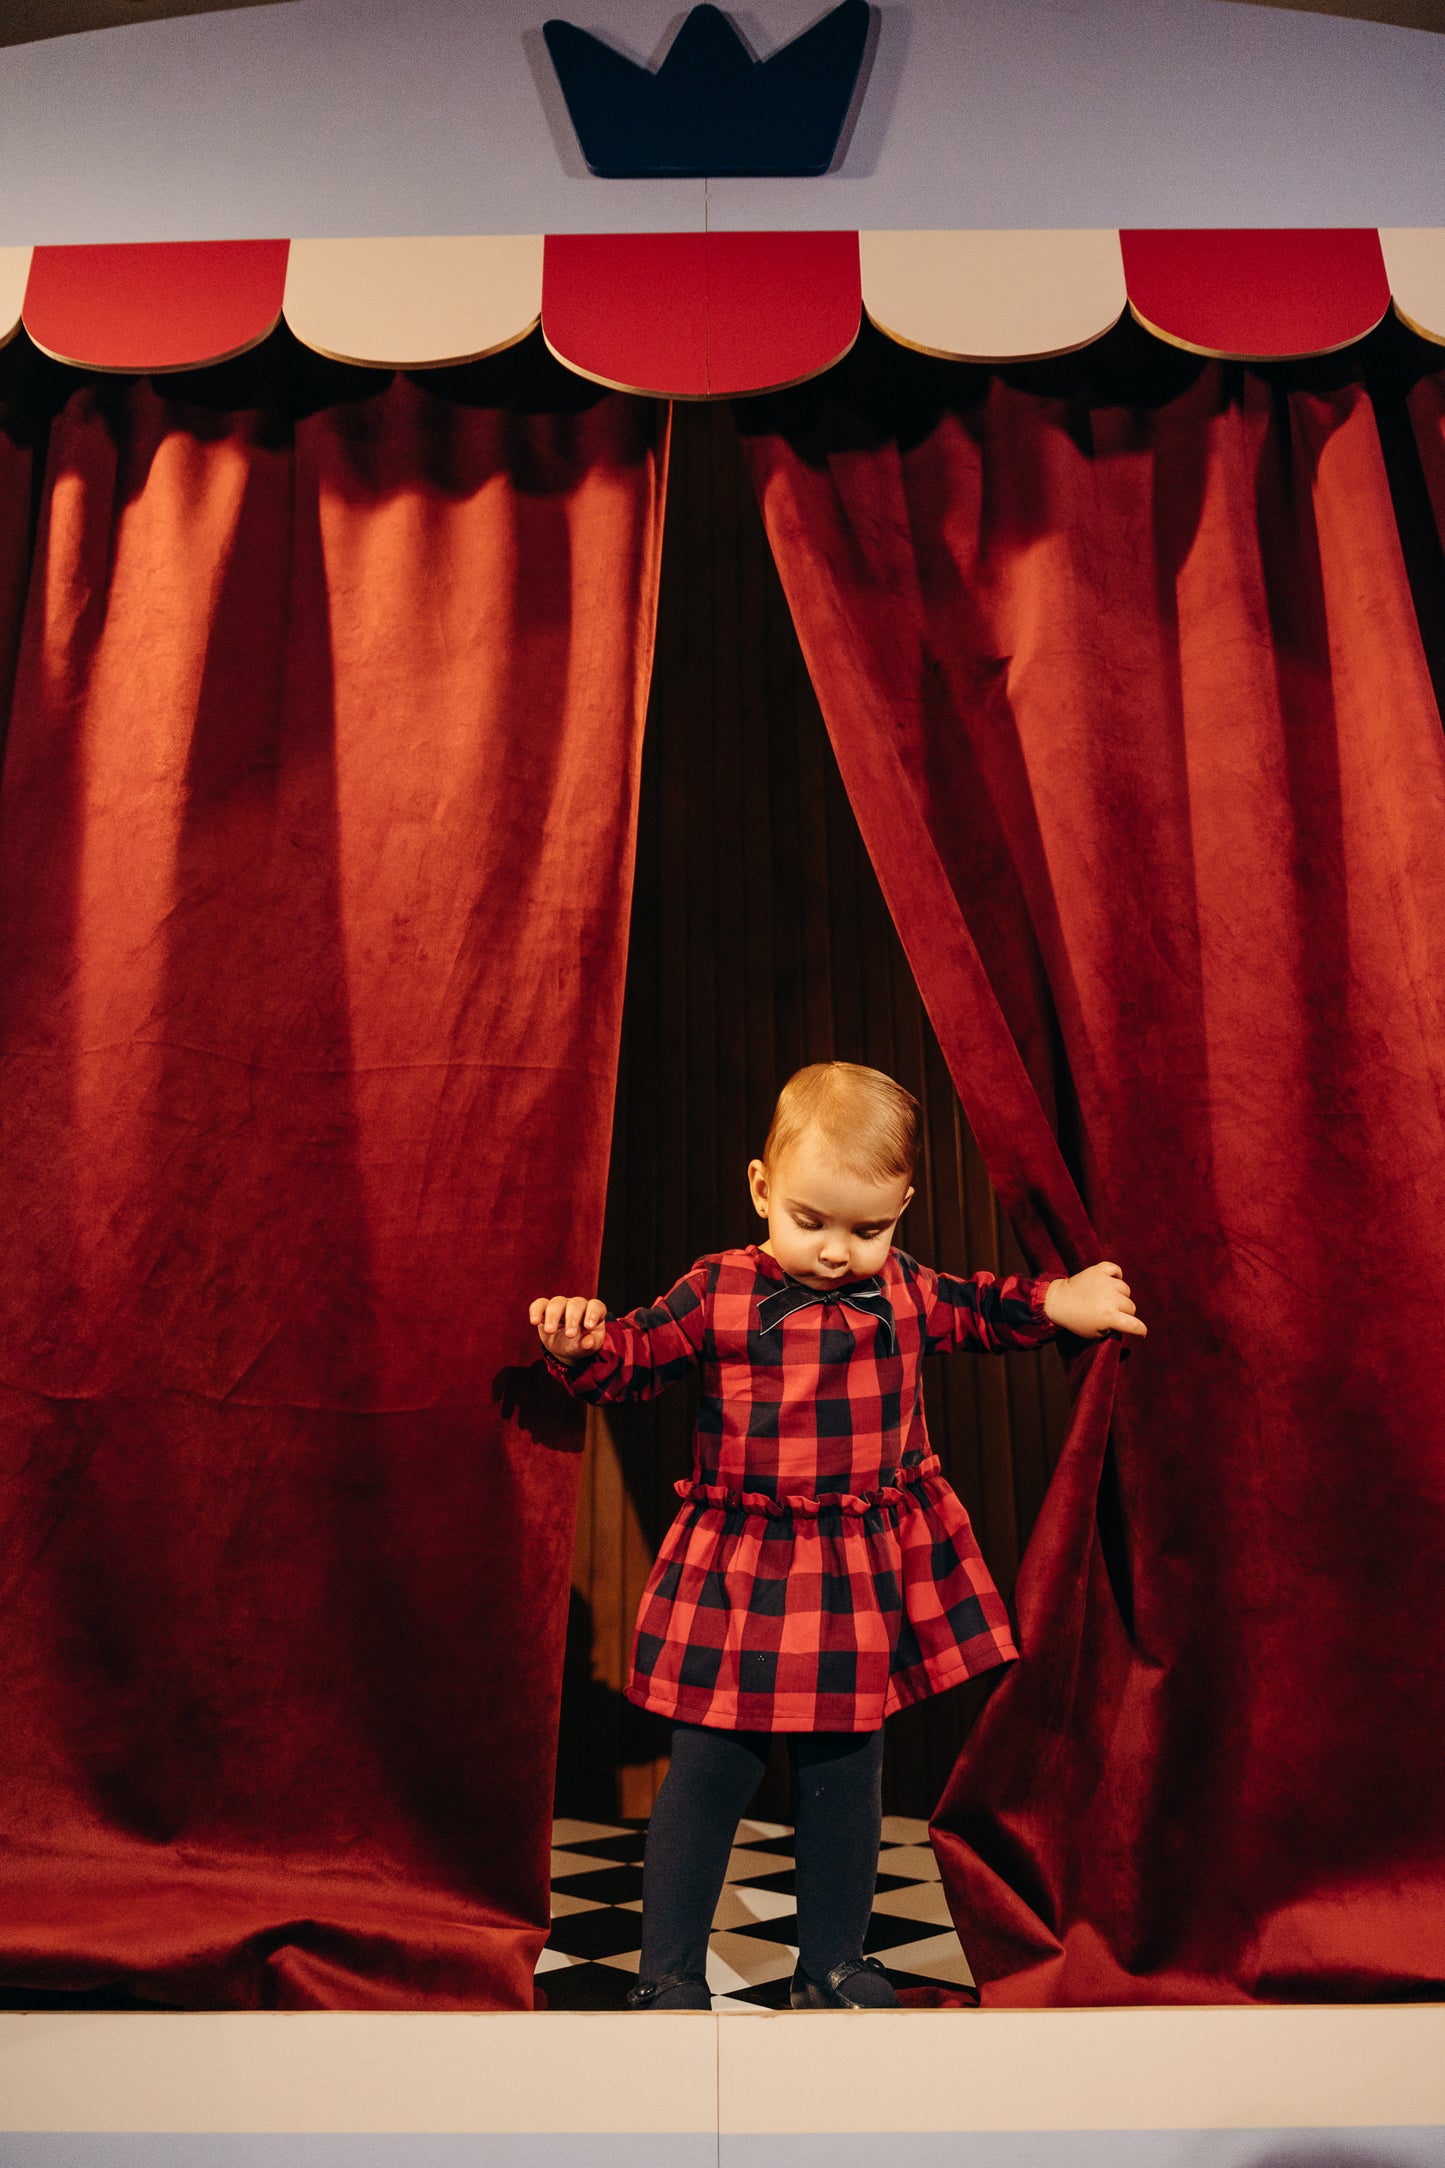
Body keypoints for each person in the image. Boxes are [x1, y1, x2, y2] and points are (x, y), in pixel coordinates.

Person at [531, 1061, 1145, 2011]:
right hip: (742, 1572)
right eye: (809, 1221)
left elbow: (980, 1309)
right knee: (706, 1775)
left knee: (845, 1777)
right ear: (760, 1189)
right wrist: (581, 1346)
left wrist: (1055, 1302)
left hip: (856, 1577)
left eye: (867, 1228)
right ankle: (667, 1976)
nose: (832, 1253)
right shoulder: (719, 1289)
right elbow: (637, 1358)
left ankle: (830, 1963)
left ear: (903, 1206)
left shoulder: (903, 1288)